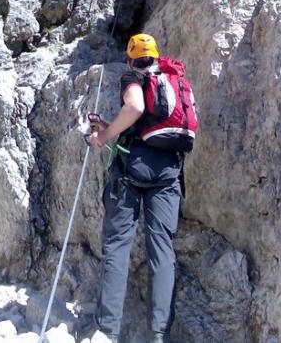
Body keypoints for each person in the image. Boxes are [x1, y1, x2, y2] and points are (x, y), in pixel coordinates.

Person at [87, 34, 186, 343]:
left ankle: (108, 332)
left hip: (130, 172)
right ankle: (159, 334)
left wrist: (103, 138)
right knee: (162, 251)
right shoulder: (172, 79)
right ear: (156, 55)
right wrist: (109, 127)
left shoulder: (133, 75)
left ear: (130, 59)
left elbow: (134, 107)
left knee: (118, 247)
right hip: (168, 172)